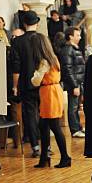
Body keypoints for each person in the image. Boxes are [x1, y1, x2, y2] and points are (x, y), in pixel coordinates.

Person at [30, 33, 71, 168]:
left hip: (49, 94)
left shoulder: (44, 62)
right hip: (52, 92)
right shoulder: (52, 58)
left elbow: (36, 81)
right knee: (43, 125)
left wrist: (34, 76)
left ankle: (65, 157)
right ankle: (44, 158)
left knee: (54, 126)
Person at [10, 10, 41, 157]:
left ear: (24, 24)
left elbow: (16, 68)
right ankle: (46, 146)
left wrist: (15, 86)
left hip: (26, 84)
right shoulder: (42, 39)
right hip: (43, 83)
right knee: (44, 114)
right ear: (37, 23)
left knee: (29, 114)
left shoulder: (17, 41)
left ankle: (35, 146)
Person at [60, 26, 86, 138]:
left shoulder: (74, 48)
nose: (80, 37)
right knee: (73, 107)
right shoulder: (68, 49)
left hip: (78, 82)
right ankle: (75, 130)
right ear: (70, 36)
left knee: (77, 106)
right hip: (73, 84)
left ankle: (79, 127)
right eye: (77, 35)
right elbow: (67, 69)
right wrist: (75, 85)